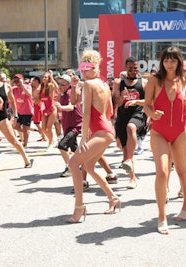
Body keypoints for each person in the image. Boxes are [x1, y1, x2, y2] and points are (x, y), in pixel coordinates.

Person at [66, 50, 121, 223]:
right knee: (88, 166)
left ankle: (79, 207)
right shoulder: (103, 84)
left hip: (102, 131)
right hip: (105, 130)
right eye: (82, 68)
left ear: (96, 67)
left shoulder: (89, 84)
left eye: (87, 68)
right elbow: (110, 111)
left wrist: (83, 137)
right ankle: (113, 198)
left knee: (73, 163)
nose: (84, 71)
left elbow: (88, 112)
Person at [144, 47, 186, 235]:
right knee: (162, 172)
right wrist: (152, 113)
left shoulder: (183, 80)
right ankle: (162, 216)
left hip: (180, 131)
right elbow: (146, 105)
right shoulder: (154, 81)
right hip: (159, 132)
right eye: (166, 60)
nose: (169, 64)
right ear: (162, 62)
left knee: (183, 171)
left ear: (179, 62)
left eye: (173, 60)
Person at [0, 67, 33, 174]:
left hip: (2, 116)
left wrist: (15, 115)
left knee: (13, 140)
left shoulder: (6, 86)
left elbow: (12, 102)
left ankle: (26, 160)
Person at [113, 57, 148, 189]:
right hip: (122, 116)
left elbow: (149, 102)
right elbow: (117, 103)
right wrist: (121, 97)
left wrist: (149, 117)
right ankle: (132, 177)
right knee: (124, 149)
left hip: (138, 114)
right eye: (130, 69)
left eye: (135, 68)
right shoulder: (118, 82)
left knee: (131, 127)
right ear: (125, 68)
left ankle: (128, 159)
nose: (133, 71)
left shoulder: (143, 82)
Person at [54, 74, 83, 178]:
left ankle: (70, 167)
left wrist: (61, 107)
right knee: (75, 149)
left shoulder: (71, 93)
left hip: (75, 125)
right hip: (67, 125)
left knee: (62, 145)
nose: (60, 86)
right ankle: (84, 165)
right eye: (59, 84)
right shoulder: (62, 94)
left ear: (68, 85)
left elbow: (71, 107)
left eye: (62, 84)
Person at [12, 73, 34, 147]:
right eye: (15, 80)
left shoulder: (27, 86)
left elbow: (29, 94)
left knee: (25, 127)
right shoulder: (14, 89)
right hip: (19, 111)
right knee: (15, 126)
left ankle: (25, 144)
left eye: (18, 80)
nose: (17, 82)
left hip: (27, 111)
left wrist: (22, 85)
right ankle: (27, 131)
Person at [40, 71, 59, 149]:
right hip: (45, 108)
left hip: (51, 108)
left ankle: (51, 142)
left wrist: (51, 77)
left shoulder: (50, 85)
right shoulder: (41, 87)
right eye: (43, 77)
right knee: (43, 128)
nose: (44, 78)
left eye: (46, 77)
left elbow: (56, 87)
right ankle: (52, 140)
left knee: (49, 127)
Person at [30, 76, 46, 141]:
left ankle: (44, 136)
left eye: (33, 80)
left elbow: (40, 97)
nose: (32, 82)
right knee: (36, 122)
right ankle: (43, 135)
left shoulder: (40, 88)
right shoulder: (34, 88)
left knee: (37, 122)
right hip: (35, 105)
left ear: (36, 81)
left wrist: (35, 99)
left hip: (38, 105)